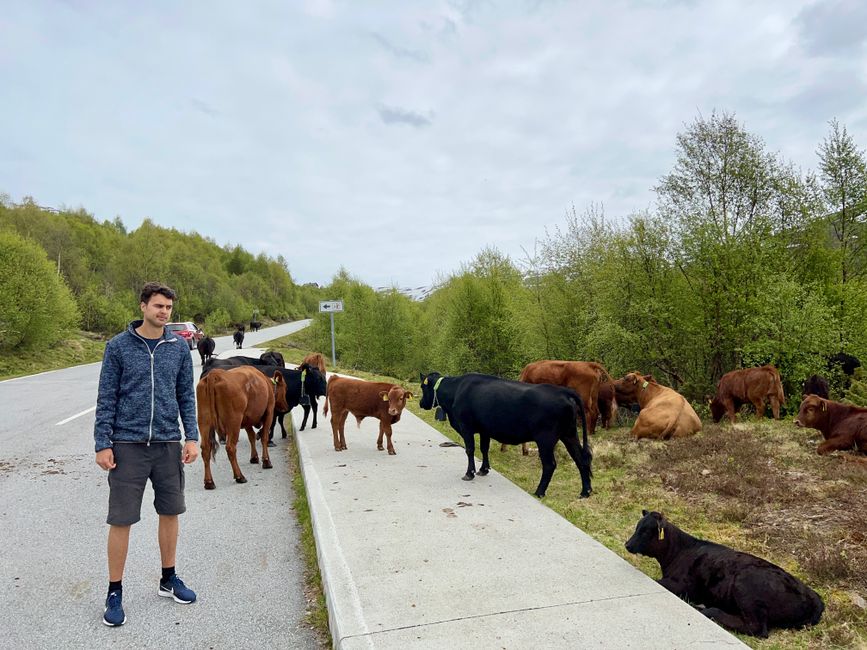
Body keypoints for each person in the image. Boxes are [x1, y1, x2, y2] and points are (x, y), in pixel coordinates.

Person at [94, 282, 200, 627]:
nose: (163, 312)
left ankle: (168, 578)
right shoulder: (119, 347)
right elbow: (106, 397)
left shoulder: (178, 348)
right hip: (128, 444)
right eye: (157, 306)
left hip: (168, 443)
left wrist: (192, 437)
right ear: (143, 306)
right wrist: (103, 443)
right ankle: (114, 592)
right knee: (121, 519)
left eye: (168, 308)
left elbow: (186, 395)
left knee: (171, 512)